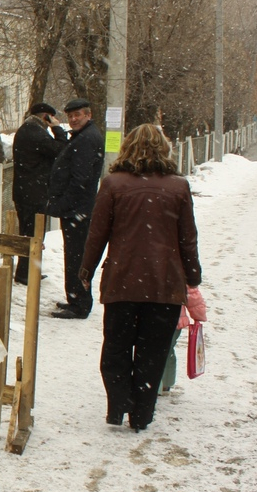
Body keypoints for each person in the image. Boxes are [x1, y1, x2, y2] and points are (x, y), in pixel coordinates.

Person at [79, 124, 202, 432]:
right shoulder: (178, 187)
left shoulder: (113, 184)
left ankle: (118, 405)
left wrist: (85, 271)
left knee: (116, 346)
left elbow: (97, 234)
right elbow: (188, 238)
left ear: (127, 148)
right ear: (165, 149)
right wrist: (193, 276)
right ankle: (142, 414)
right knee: (153, 350)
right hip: (164, 284)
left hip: (122, 280)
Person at [45, 98, 105, 318]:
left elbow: (80, 179)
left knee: (78, 257)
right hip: (77, 208)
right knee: (74, 255)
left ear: (88, 115)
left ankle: (80, 303)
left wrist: (61, 204)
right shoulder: (83, 136)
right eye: (70, 116)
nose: (73, 119)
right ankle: (75, 298)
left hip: (78, 209)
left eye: (78, 115)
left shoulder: (87, 139)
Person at [11, 102, 68, 284]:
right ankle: (25, 273)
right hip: (32, 192)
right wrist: (58, 130)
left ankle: (28, 271)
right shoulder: (35, 132)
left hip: (27, 190)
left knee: (32, 232)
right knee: (33, 233)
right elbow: (60, 149)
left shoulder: (27, 130)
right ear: (47, 117)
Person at [160, 286, 207, 394]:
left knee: (153, 352)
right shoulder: (178, 269)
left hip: (153, 315)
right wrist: (198, 314)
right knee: (167, 350)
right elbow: (191, 292)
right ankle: (166, 382)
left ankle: (155, 385)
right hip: (174, 317)